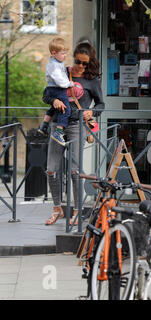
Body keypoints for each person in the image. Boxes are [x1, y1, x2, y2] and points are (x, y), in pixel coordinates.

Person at [43, 40, 105, 226]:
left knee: (75, 171)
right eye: (78, 61)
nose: (80, 66)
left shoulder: (92, 81)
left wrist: (92, 112)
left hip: (77, 126)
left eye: (85, 63)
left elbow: (101, 104)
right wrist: (53, 101)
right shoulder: (62, 72)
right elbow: (46, 94)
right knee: (51, 170)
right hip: (57, 125)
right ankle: (57, 208)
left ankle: (78, 211)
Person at [38, 38, 74, 146]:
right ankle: (58, 132)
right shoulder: (54, 66)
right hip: (57, 89)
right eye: (63, 53)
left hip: (51, 89)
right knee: (66, 110)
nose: (65, 56)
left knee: (53, 109)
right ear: (54, 53)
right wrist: (69, 84)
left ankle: (44, 126)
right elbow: (60, 80)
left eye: (65, 53)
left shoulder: (55, 63)